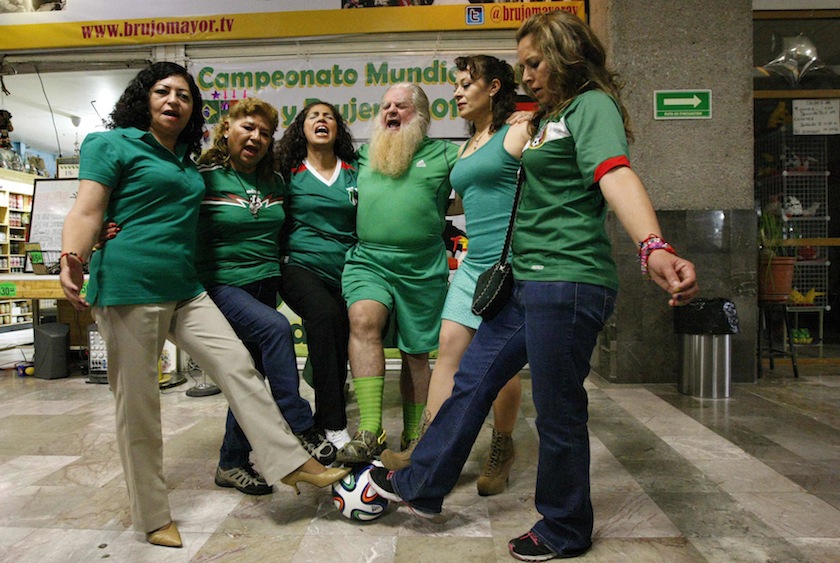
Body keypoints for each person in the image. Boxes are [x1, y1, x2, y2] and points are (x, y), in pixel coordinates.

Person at [368, 12, 699, 562]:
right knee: (472, 380)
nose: (528, 75)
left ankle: (565, 526)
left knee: (557, 408)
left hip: (568, 280)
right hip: (526, 281)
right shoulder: (548, 117)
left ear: (568, 54)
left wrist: (653, 245)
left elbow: (614, 172)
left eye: (535, 63)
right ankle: (422, 485)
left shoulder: (592, 106)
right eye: (522, 65)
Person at [59, 62, 347, 549]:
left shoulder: (186, 163)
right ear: (143, 98)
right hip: (131, 287)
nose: (173, 101)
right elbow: (87, 208)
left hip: (186, 287)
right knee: (141, 409)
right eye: (162, 92)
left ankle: (290, 461)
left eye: (184, 96)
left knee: (238, 368)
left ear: (194, 111)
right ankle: (152, 516)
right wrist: (74, 255)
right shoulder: (109, 144)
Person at [379, 55, 530, 500]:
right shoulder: (467, 144)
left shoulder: (518, 130)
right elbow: (469, 201)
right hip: (472, 265)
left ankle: (501, 448)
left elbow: (538, 187)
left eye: (467, 84)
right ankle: (426, 448)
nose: (458, 92)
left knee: (497, 364)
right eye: (457, 85)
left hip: (509, 266)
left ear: (496, 87)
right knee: (448, 352)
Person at [195, 98, 337, 497]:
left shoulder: (275, 179)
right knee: (276, 330)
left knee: (250, 379)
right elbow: (166, 213)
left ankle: (231, 462)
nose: (255, 137)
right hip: (222, 286)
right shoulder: (204, 177)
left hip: (265, 284)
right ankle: (300, 424)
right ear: (227, 129)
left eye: (264, 132)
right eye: (247, 127)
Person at [335, 83, 460, 464]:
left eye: (401, 106)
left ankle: (414, 434)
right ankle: (370, 428)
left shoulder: (447, 153)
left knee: (416, 354)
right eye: (386, 106)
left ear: (420, 115)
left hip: (422, 267)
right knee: (363, 319)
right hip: (369, 260)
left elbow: (481, 180)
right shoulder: (363, 156)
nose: (390, 111)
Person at [275, 101, 358, 451]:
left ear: (338, 129)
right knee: (325, 317)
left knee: (339, 332)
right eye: (314, 116)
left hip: (348, 269)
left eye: (329, 116)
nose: (322, 120)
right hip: (299, 266)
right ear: (301, 129)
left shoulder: (355, 172)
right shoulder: (287, 172)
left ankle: (329, 406)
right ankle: (333, 424)